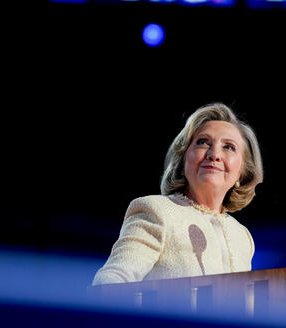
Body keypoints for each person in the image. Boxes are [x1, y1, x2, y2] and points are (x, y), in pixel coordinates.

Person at [92, 103, 263, 284]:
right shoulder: (157, 211)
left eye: (228, 147)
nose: (214, 155)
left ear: (242, 173)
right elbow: (113, 280)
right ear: (183, 159)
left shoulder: (242, 236)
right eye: (203, 142)